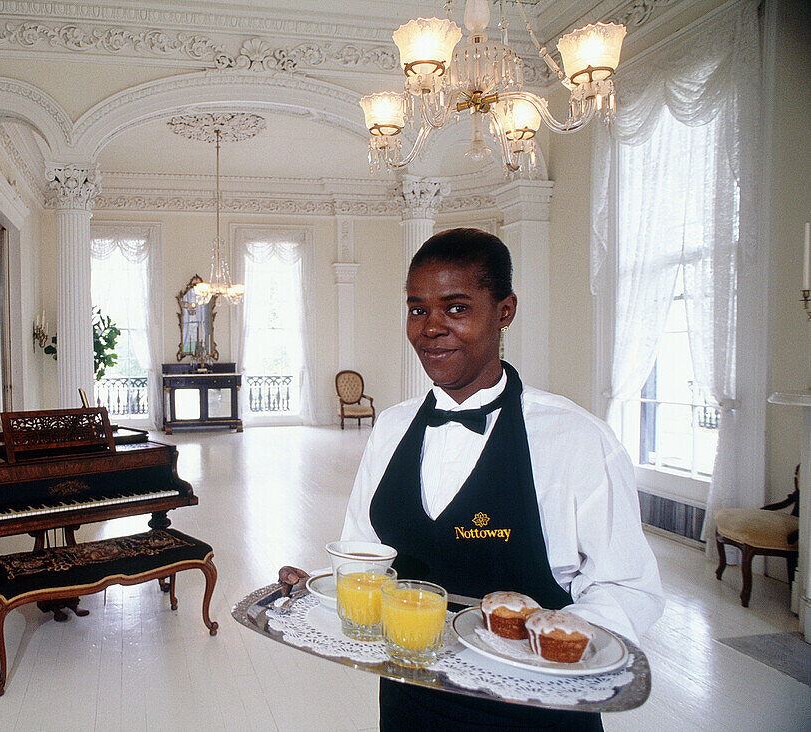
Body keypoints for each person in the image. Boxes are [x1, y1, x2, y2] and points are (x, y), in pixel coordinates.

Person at [283, 228, 663, 730]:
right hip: (408, 699)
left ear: (504, 311)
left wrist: (543, 656)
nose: (430, 328)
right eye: (417, 309)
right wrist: (324, 590)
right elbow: (366, 554)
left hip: (535, 711)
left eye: (456, 308)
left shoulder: (575, 438)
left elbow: (627, 587)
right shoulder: (391, 428)